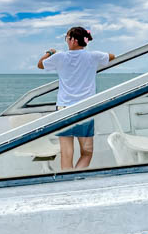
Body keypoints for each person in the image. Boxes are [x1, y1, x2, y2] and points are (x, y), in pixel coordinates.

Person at [38, 26, 115, 170]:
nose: (66, 41)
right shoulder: (93, 56)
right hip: (85, 109)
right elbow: (112, 56)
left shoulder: (60, 57)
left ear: (73, 40)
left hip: (63, 109)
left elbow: (40, 65)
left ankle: (66, 183)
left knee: (66, 153)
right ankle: (76, 179)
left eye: (67, 38)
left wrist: (50, 52)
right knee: (87, 152)